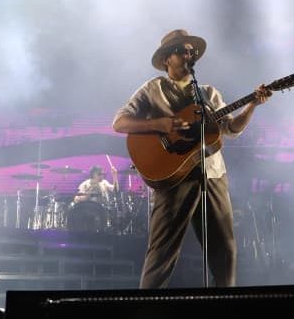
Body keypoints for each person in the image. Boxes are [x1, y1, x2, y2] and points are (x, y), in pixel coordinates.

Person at [113, 29, 271, 288]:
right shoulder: (153, 89)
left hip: (212, 174)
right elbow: (120, 123)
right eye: (182, 51)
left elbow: (231, 128)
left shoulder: (208, 93)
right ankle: (146, 306)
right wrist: (161, 124)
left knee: (225, 251)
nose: (189, 55)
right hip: (173, 177)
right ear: (166, 58)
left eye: (191, 51)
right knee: (162, 252)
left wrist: (252, 105)